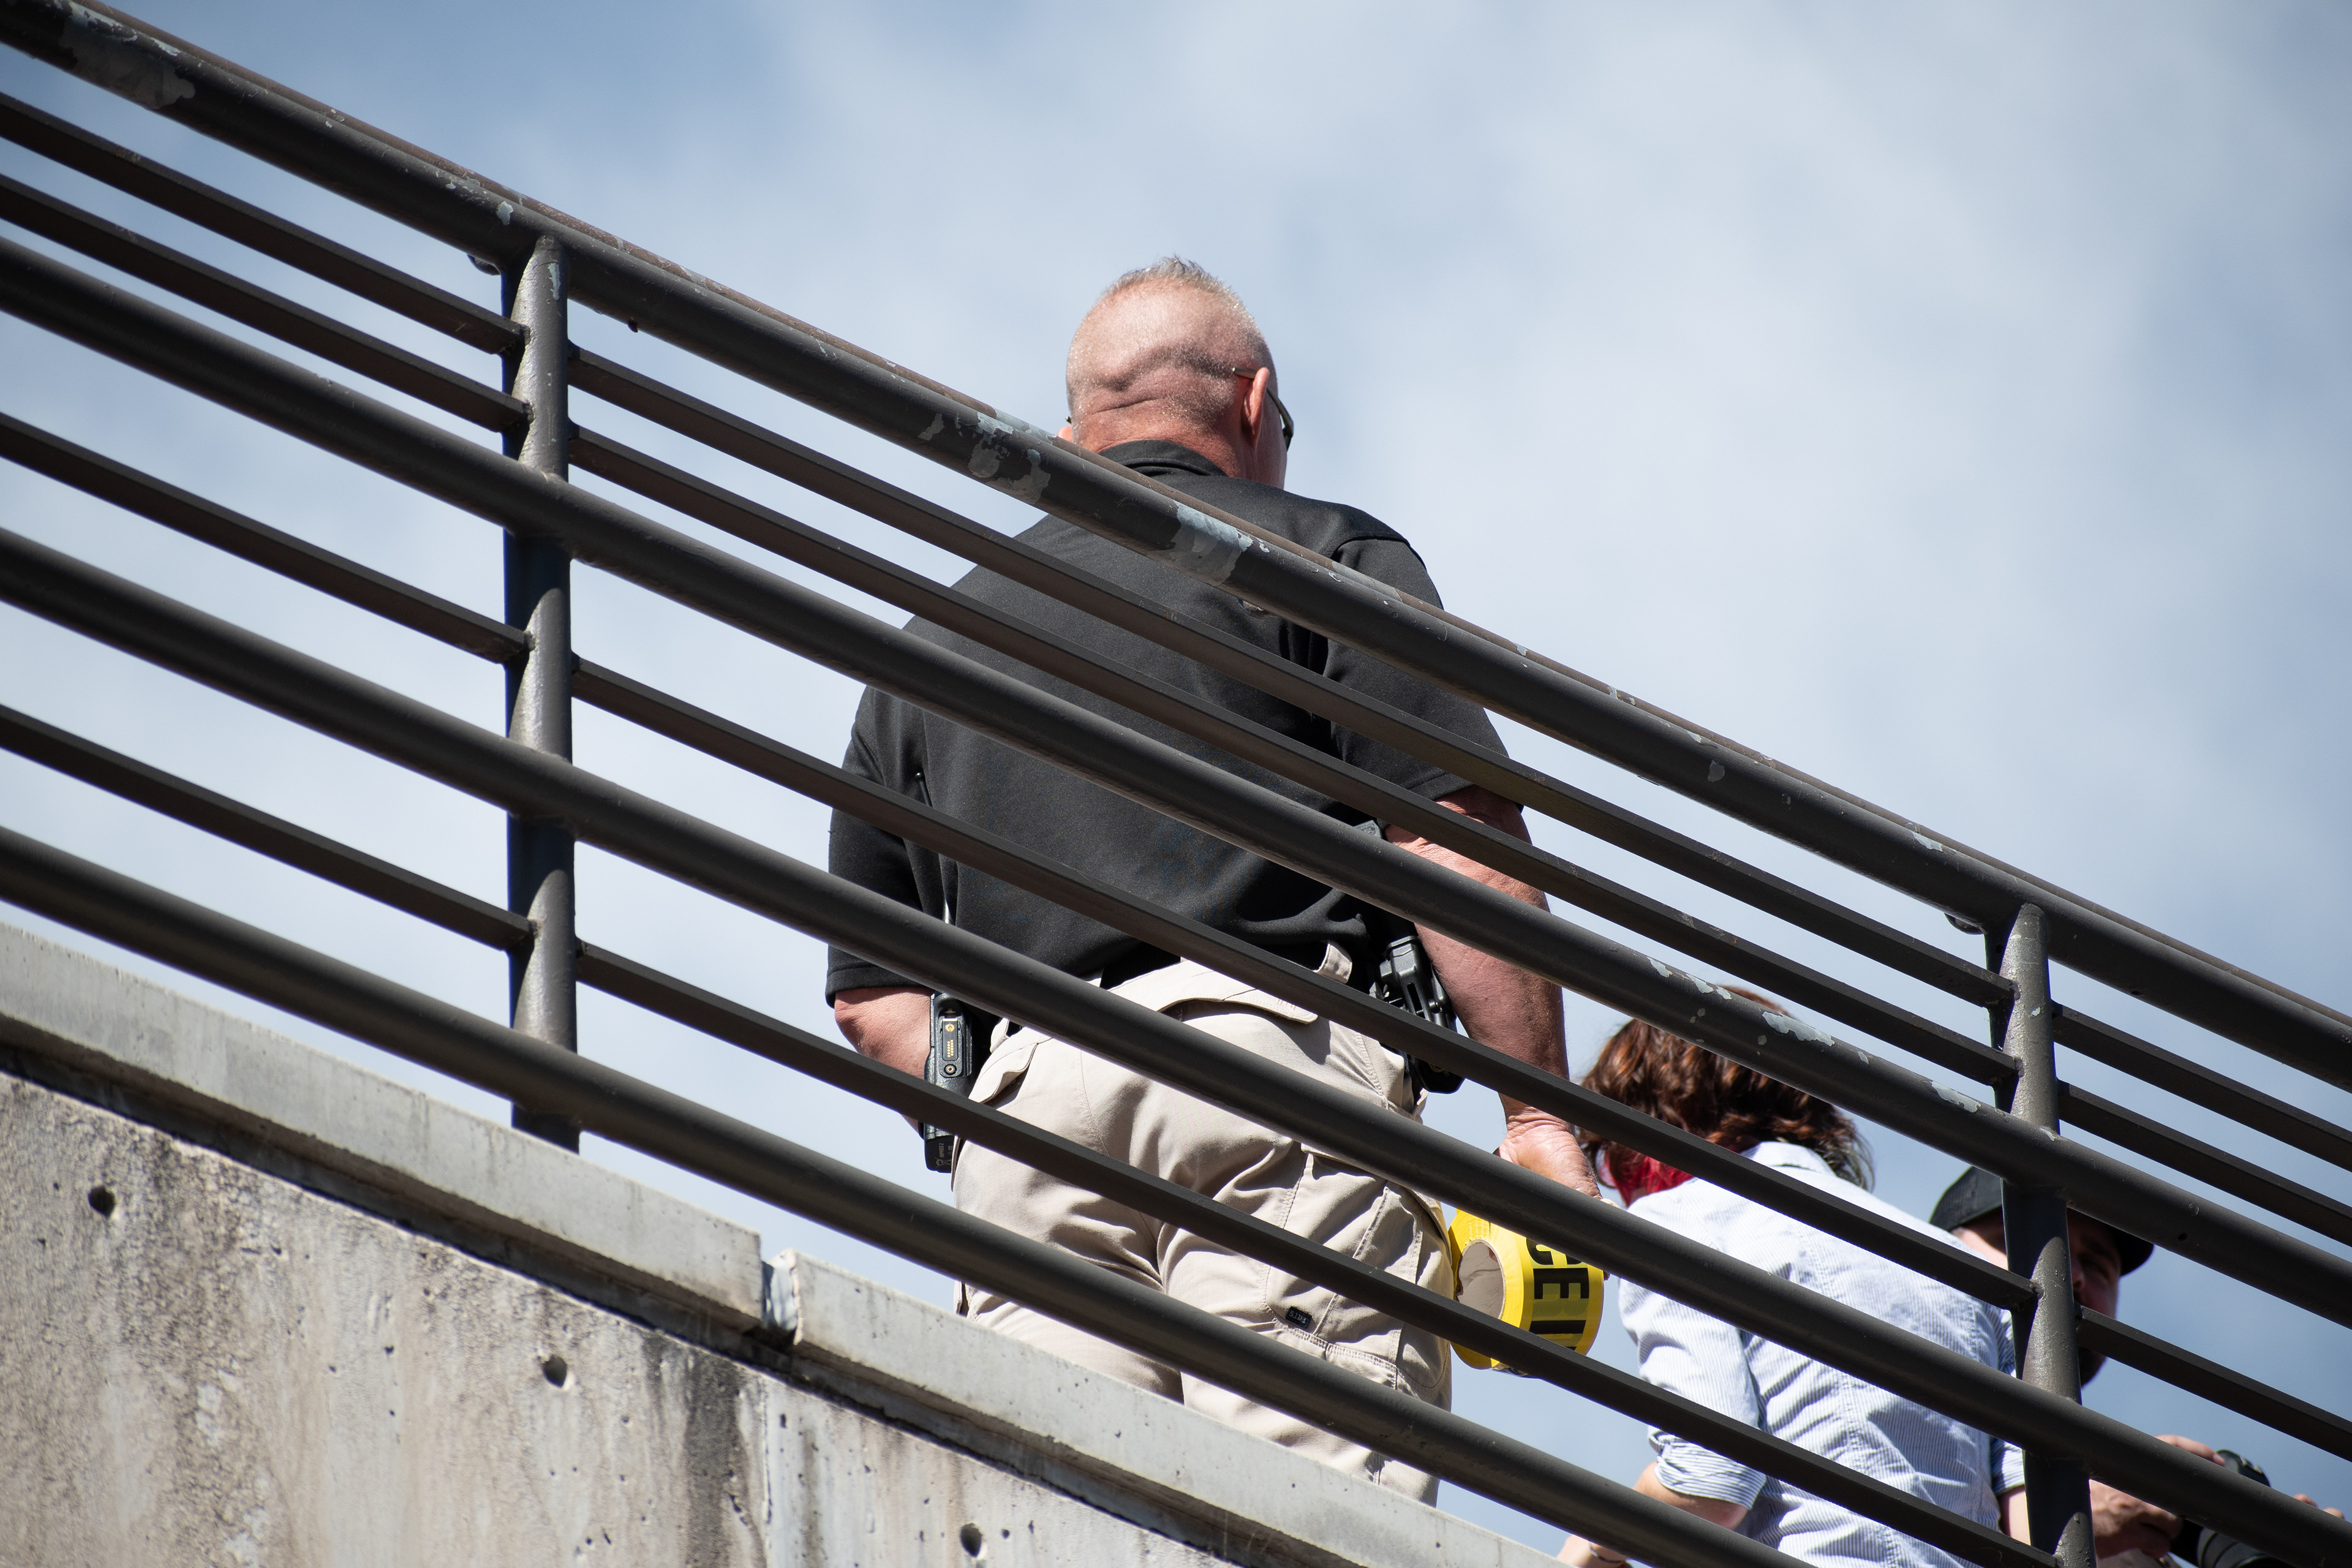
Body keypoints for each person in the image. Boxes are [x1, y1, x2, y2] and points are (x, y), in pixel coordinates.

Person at [826, 257, 1596, 1499]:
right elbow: (1453, 831)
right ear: (1254, 404)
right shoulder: (1320, 551)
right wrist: (1538, 1117)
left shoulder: (933, 635)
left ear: (1078, 430)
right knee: (1314, 1522)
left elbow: (873, 998)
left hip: (1029, 1130)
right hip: (1271, 1071)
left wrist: (1010, 1099)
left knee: (1065, 1523)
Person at [1558, 994, 2022, 1568]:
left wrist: (1593, 1539)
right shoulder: (1962, 1272)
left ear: (1654, 1122)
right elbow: (2030, 1526)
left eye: (1612, 1159)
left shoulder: (1680, 1220)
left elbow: (1710, 1483)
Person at [1932, 1167, 2341, 1562]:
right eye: (2025, 1241)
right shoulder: (1886, 1371)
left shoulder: (2130, 1535)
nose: (2070, 1275)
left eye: (2096, 1265)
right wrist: (2064, 1514)